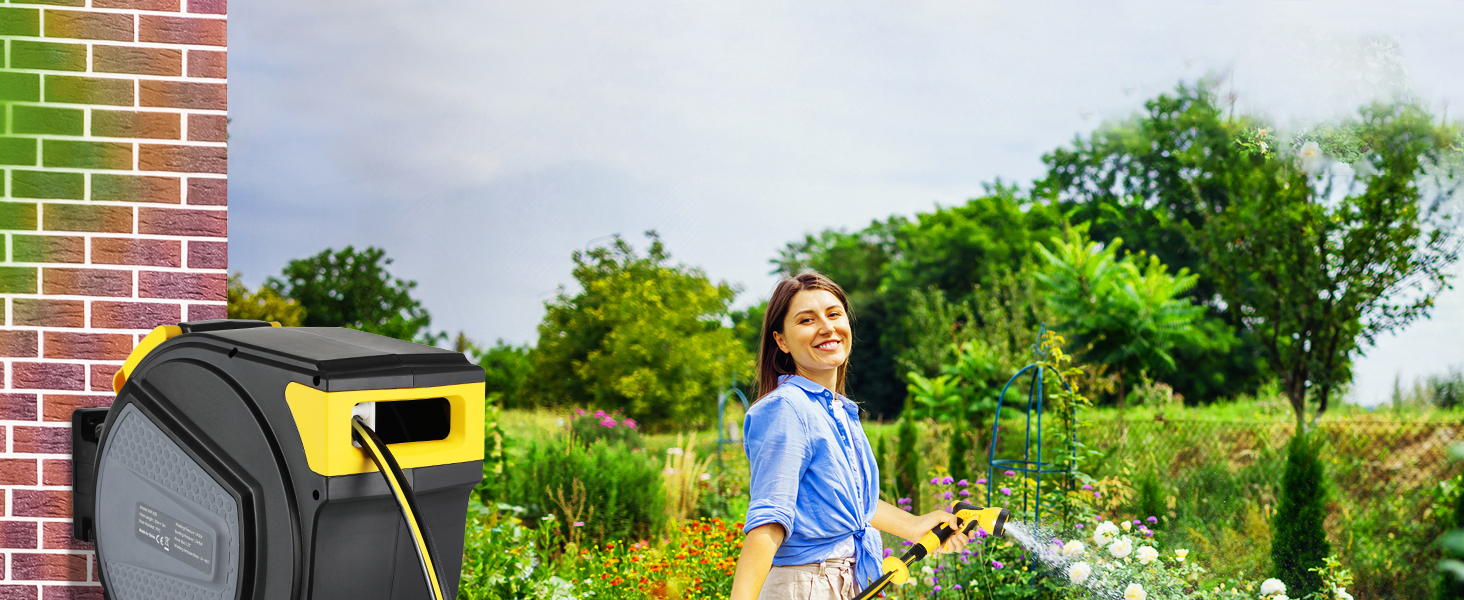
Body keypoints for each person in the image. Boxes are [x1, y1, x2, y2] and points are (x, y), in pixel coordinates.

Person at [729, 272, 970, 600]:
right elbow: (770, 518)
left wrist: (915, 526)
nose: (826, 327)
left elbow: (855, 506)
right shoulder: (786, 407)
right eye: (806, 320)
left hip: (848, 579)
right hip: (808, 586)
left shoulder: (838, 410)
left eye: (833, 314)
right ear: (781, 340)